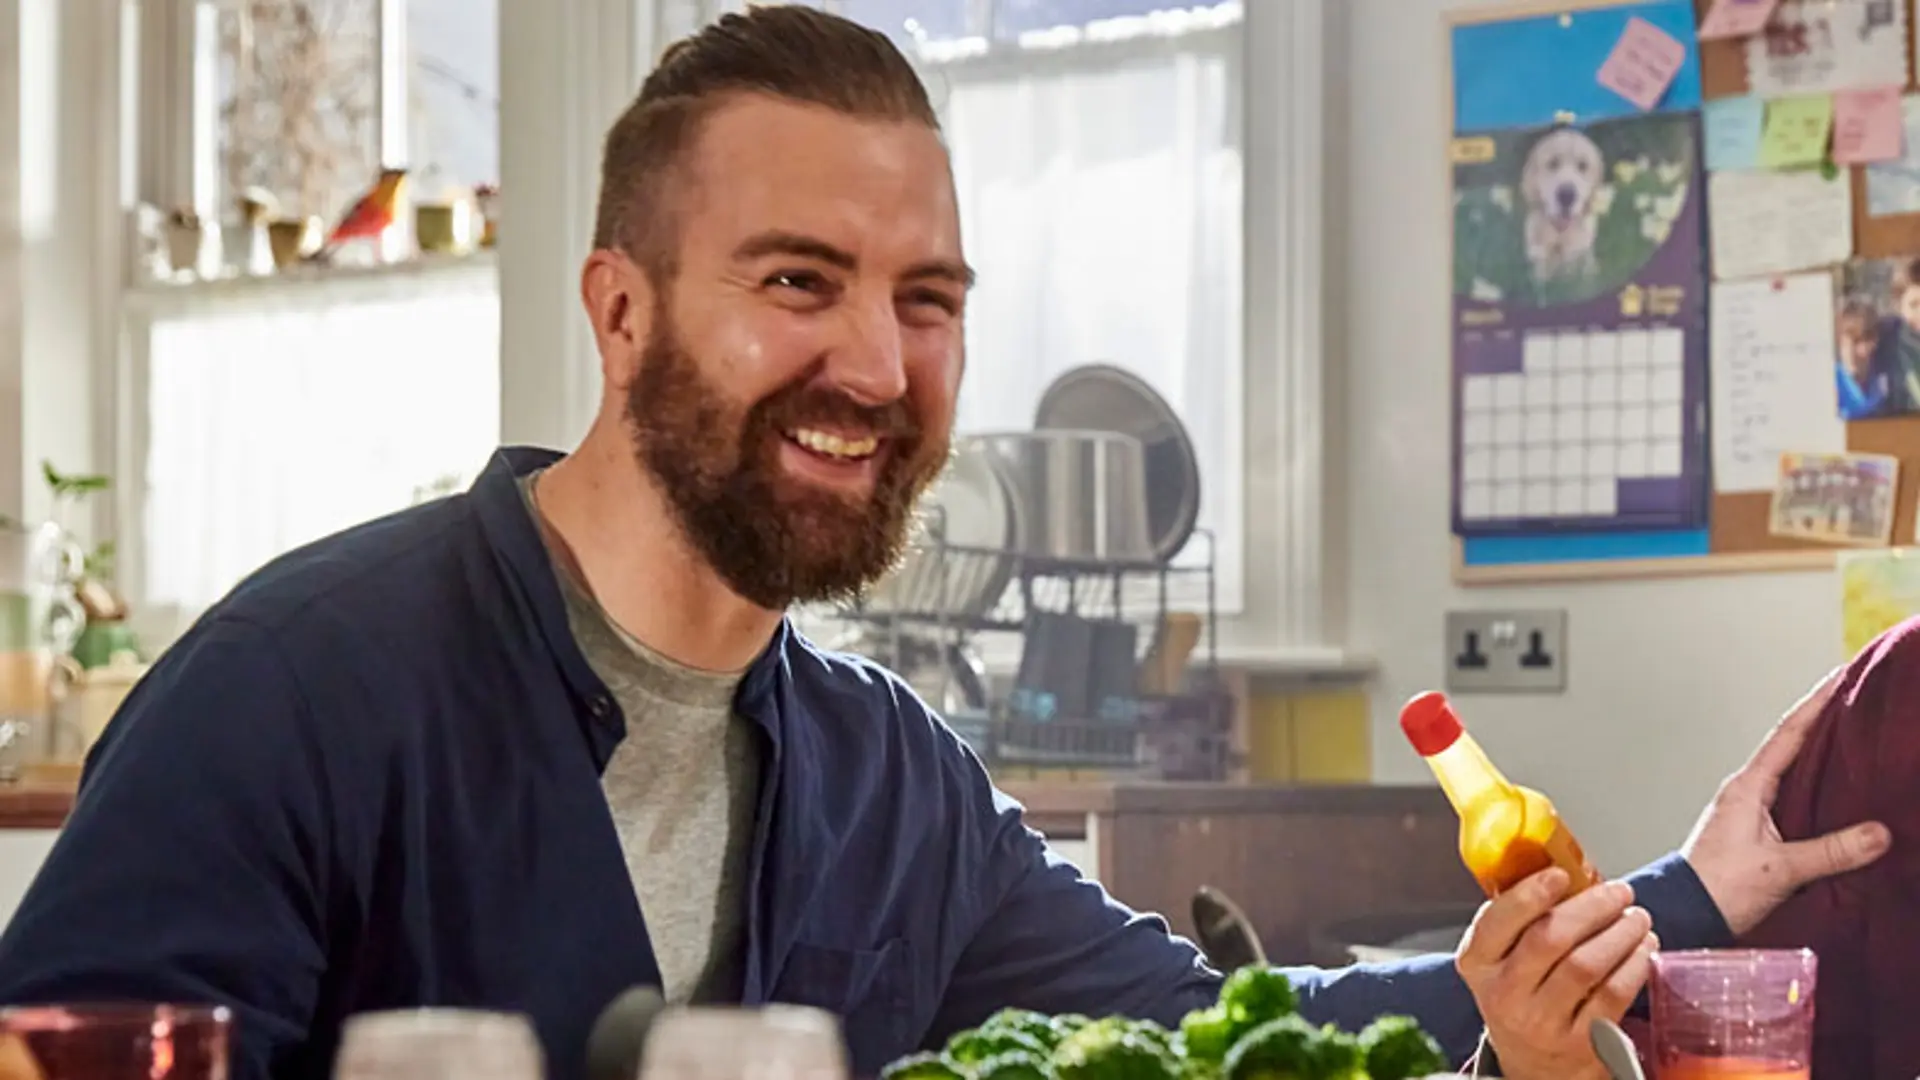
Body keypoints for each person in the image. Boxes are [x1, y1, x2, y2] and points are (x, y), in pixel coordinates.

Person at [0, 9, 1889, 1080]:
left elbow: (1240, 1036)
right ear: (621, 309)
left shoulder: (885, 780)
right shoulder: (291, 696)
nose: (876, 362)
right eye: (796, 283)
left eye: (928, 298)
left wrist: (1682, 897)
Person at [1836, 300, 1888, 420]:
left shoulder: (1884, 383)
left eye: (1865, 341)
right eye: (1852, 342)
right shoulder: (1830, 383)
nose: (1861, 351)